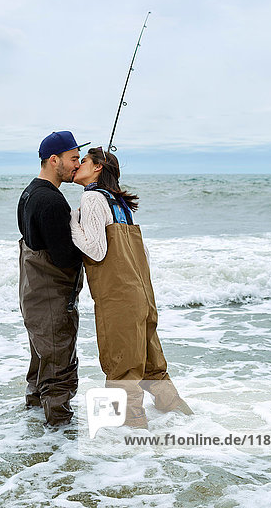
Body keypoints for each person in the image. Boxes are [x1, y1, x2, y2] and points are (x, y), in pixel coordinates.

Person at [70, 147, 193, 428]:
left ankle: (129, 443)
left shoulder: (91, 197)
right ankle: (182, 419)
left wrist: (71, 222)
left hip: (118, 297)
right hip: (142, 292)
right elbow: (144, 254)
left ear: (98, 168)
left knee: (121, 367)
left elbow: (95, 250)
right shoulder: (119, 203)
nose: (77, 166)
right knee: (152, 366)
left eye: (84, 161)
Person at [17, 131, 89, 426]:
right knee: (59, 367)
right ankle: (60, 440)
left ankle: (33, 431)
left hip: (33, 295)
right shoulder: (52, 202)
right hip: (51, 298)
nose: (77, 164)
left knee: (41, 360)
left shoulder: (29, 193)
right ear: (53, 160)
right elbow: (64, 258)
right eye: (73, 159)